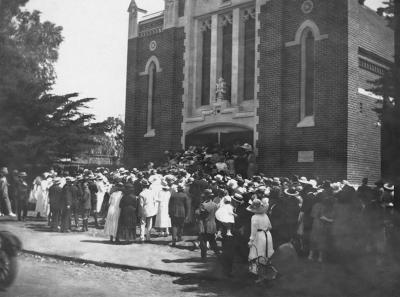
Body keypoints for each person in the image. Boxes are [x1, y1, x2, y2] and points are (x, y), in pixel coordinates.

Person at [247, 199, 274, 282]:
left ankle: (261, 276)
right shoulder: (265, 215)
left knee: (258, 255)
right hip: (268, 235)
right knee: (267, 255)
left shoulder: (254, 217)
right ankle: (269, 273)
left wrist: (251, 241)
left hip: (259, 237)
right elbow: (270, 227)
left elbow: (253, 230)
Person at [196, 190, 219, 259]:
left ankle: (204, 256)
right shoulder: (215, 205)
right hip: (213, 224)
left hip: (205, 225)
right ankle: (218, 254)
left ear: (206, 196)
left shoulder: (203, 205)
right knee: (212, 241)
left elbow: (199, 214)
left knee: (203, 241)